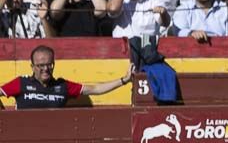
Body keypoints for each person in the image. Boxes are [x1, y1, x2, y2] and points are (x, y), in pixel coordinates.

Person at [1, 45, 132, 109]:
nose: (46, 69)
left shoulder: (62, 86)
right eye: (41, 65)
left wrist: (123, 80)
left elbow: (95, 89)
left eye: (49, 65)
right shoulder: (21, 83)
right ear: (32, 66)